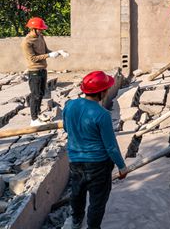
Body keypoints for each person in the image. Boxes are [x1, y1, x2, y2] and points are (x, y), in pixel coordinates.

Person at [63, 71, 128, 229]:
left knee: (77, 194)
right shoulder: (102, 115)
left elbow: (66, 128)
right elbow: (111, 147)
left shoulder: (70, 105)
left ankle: (76, 221)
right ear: (102, 92)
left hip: (75, 162)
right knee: (97, 201)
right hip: (98, 165)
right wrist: (122, 166)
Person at [21, 16, 68, 126]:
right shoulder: (26, 42)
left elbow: (46, 51)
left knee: (41, 93)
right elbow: (32, 58)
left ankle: (38, 113)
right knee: (35, 94)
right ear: (33, 29)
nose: (42, 30)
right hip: (34, 71)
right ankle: (33, 119)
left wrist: (57, 52)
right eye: (40, 29)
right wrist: (49, 55)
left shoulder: (40, 37)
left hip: (43, 69)